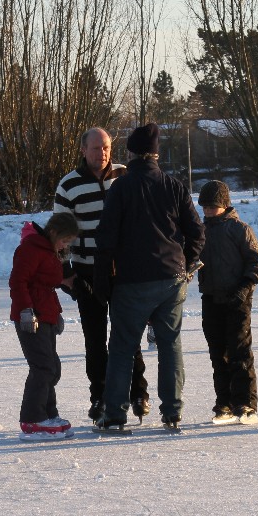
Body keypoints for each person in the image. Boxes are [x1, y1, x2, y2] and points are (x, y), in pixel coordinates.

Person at [94, 123, 205, 431]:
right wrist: (187, 263)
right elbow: (197, 232)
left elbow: (106, 237)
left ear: (130, 153)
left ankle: (115, 414)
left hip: (132, 279)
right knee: (170, 345)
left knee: (122, 347)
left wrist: (102, 278)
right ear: (156, 154)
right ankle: (172, 411)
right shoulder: (174, 186)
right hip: (171, 277)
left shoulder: (121, 188)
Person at [53, 127, 150, 423]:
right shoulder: (69, 185)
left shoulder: (124, 175)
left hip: (123, 269)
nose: (103, 153)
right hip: (87, 271)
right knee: (94, 340)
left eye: (106, 147)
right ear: (83, 150)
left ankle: (139, 392)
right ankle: (100, 397)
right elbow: (59, 234)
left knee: (128, 334)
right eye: (96, 148)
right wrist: (66, 274)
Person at [196, 181, 258, 425]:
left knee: (239, 352)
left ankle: (245, 403)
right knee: (218, 354)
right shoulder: (201, 231)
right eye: (204, 207)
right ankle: (224, 402)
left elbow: (257, 264)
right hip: (211, 298)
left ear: (225, 204)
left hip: (238, 300)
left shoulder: (239, 229)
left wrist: (244, 288)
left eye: (212, 206)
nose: (208, 211)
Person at [9, 212, 79, 441]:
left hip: (45, 315)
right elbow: (18, 281)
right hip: (31, 317)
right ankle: (32, 419)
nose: (65, 245)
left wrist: (55, 314)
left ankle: (49, 413)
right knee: (43, 367)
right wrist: (25, 311)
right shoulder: (31, 248)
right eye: (64, 240)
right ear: (54, 232)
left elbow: (46, 284)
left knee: (52, 368)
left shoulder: (49, 251)